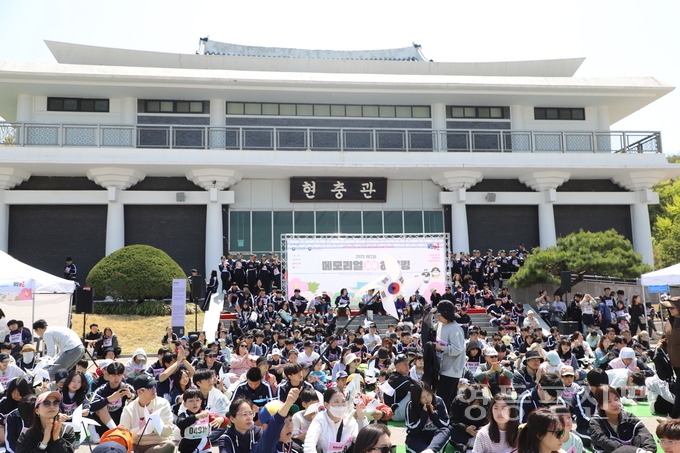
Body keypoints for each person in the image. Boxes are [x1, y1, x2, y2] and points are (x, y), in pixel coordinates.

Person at [589, 385, 656, 453]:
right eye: (608, 401)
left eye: (616, 399)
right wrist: (634, 451)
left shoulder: (628, 417)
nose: (615, 404)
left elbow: (644, 433)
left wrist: (649, 450)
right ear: (601, 406)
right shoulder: (595, 422)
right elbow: (605, 442)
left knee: (639, 438)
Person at [119, 374, 175, 453]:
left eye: (154, 386)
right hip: (136, 446)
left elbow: (168, 432)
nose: (154, 389)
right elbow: (123, 435)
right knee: (120, 448)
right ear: (139, 392)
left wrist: (155, 421)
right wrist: (141, 427)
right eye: (150, 387)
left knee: (169, 445)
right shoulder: (129, 408)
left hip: (157, 445)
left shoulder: (163, 403)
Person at [303, 386, 368, 453]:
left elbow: (363, 441)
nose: (340, 405)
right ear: (326, 405)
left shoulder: (349, 420)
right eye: (336, 402)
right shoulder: (320, 420)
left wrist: (361, 416)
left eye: (343, 401)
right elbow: (309, 446)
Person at [432, 300, 465, 409]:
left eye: (440, 315)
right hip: (443, 367)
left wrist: (441, 348)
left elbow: (458, 349)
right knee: (440, 397)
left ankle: (445, 417)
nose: (438, 317)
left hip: (452, 370)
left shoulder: (455, 329)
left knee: (445, 399)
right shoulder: (440, 324)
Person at [177, 387, 228, 453]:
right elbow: (180, 423)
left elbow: (226, 422)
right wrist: (196, 417)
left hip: (204, 449)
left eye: (197, 400)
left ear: (201, 402)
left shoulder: (206, 414)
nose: (195, 403)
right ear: (185, 404)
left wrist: (222, 419)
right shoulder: (184, 415)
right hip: (188, 449)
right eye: (191, 401)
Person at [404, 382, 450, 453]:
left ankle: (431, 450)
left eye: (428, 395)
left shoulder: (438, 401)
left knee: (446, 431)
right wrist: (424, 415)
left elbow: (445, 424)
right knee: (411, 440)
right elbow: (413, 430)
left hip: (435, 437)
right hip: (418, 437)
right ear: (417, 398)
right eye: (423, 397)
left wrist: (433, 414)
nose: (427, 399)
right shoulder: (411, 405)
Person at [661, 296, 680, 419]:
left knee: (678, 389)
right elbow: (669, 339)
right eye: (669, 308)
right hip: (675, 363)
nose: (670, 310)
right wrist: (662, 342)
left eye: (672, 307)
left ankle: (673, 418)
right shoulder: (672, 321)